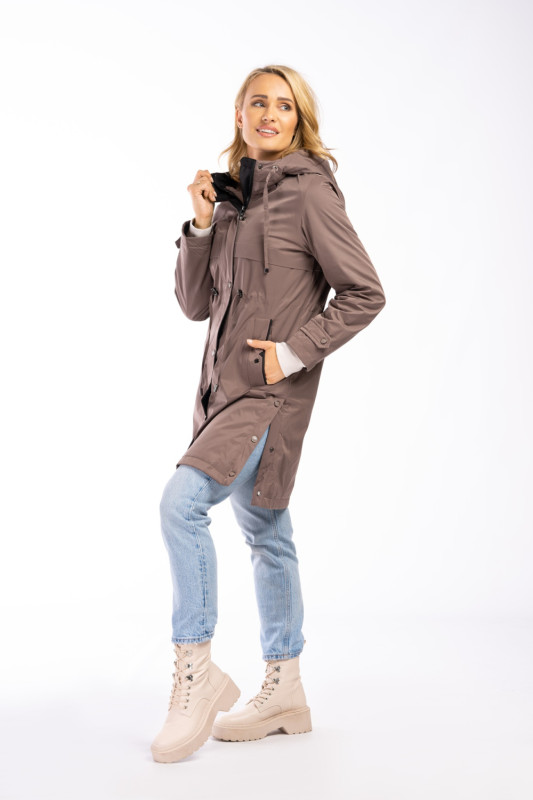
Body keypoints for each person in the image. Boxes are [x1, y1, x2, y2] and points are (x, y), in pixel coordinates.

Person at [151, 64, 386, 763]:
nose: (270, 114)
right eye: (258, 102)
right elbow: (195, 305)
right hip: (218, 395)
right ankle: (285, 687)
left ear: (298, 120)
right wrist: (200, 225)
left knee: (181, 504)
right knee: (266, 530)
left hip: (267, 395)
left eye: (284, 106)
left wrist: (291, 353)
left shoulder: (309, 192)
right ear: (239, 113)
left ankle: (196, 672)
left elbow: (364, 292)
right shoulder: (230, 200)